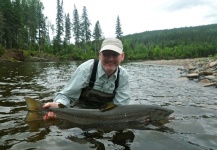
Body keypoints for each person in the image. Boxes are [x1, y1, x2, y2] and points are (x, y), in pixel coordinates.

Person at [43, 37, 131, 119]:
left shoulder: (123, 76)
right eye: (106, 54)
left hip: (106, 117)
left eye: (115, 54)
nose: (110, 59)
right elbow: (67, 95)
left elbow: (120, 108)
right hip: (80, 113)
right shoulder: (86, 69)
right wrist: (58, 106)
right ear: (100, 55)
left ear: (122, 56)